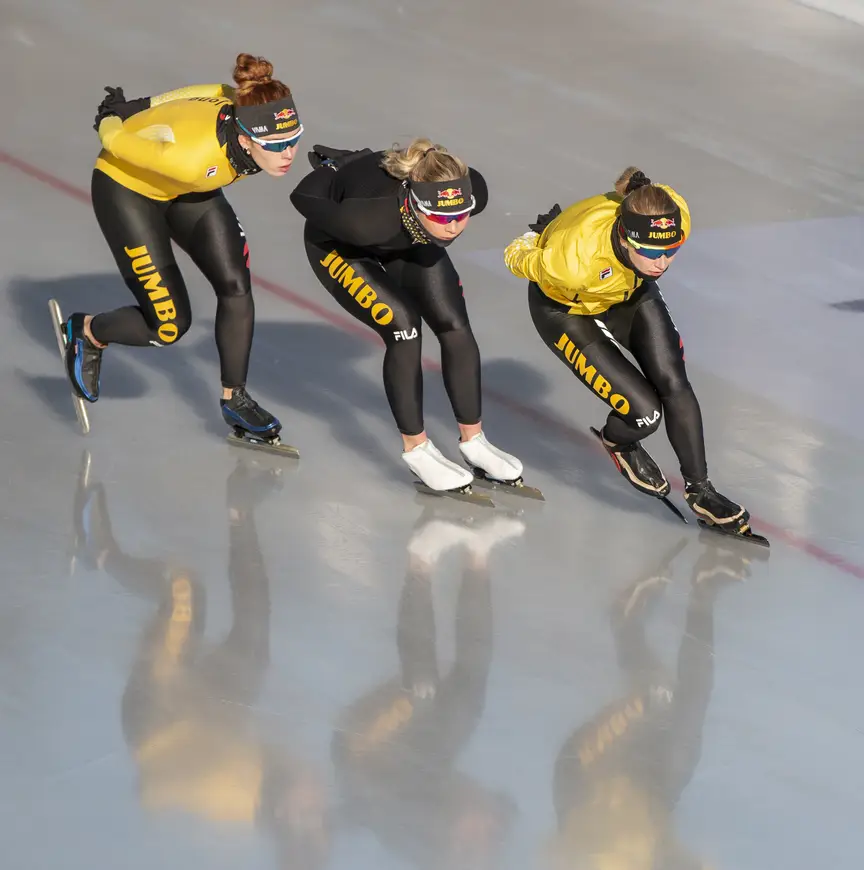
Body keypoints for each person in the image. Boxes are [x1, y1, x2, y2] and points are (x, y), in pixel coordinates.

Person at [61, 53, 303, 444]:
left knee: (236, 285)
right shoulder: (190, 160)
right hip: (128, 188)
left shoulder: (241, 102)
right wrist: (112, 115)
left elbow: (205, 91)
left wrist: (144, 103)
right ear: (245, 139)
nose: (288, 153)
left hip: (189, 188)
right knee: (169, 325)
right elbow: (114, 141)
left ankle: (235, 398)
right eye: (276, 145)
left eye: (293, 139)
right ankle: (88, 331)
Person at [504, 167, 754, 536]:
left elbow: (650, 193)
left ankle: (701, 490)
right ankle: (618, 442)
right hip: (566, 308)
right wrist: (534, 238)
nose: (662, 262)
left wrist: (648, 254)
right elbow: (513, 258)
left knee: (673, 381)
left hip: (628, 288)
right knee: (645, 413)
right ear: (624, 237)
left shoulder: (674, 213)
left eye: (671, 250)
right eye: (651, 251)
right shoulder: (571, 262)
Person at [289, 138, 525, 494]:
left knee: (454, 324)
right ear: (415, 203)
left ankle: (474, 441)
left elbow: (449, 211)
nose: (454, 227)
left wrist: (439, 218)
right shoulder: (364, 220)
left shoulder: (470, 189)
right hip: (340, 242)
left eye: (461, 214)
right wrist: (336, 168)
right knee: (404, 328)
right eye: (442, 217)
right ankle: (417, 449)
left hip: (409, 237)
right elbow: (302, 196)